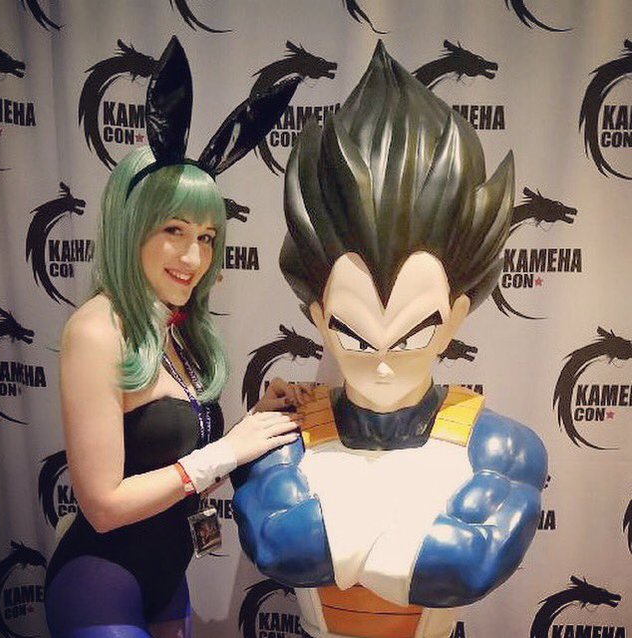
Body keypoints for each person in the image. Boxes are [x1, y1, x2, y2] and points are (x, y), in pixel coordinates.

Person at [232, 42, 547, 638]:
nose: (381, 364)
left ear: (454, 318)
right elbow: (279, 546)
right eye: (356, 338)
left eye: (408, 339)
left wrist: (335, 531)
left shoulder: (501, 447)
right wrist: (412, 536)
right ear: (319, 318)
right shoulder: (282, 437)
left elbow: (467, 565)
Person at [45, 37, 303, 638]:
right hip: (99, 583)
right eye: (174, 230)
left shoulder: (174, 326)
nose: (194, 257)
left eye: (207, 237)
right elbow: (102, 506)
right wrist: (226, 453)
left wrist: (254, 426)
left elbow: (179, 457)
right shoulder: (96, 329)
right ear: (132, 226)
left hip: (167, 580)